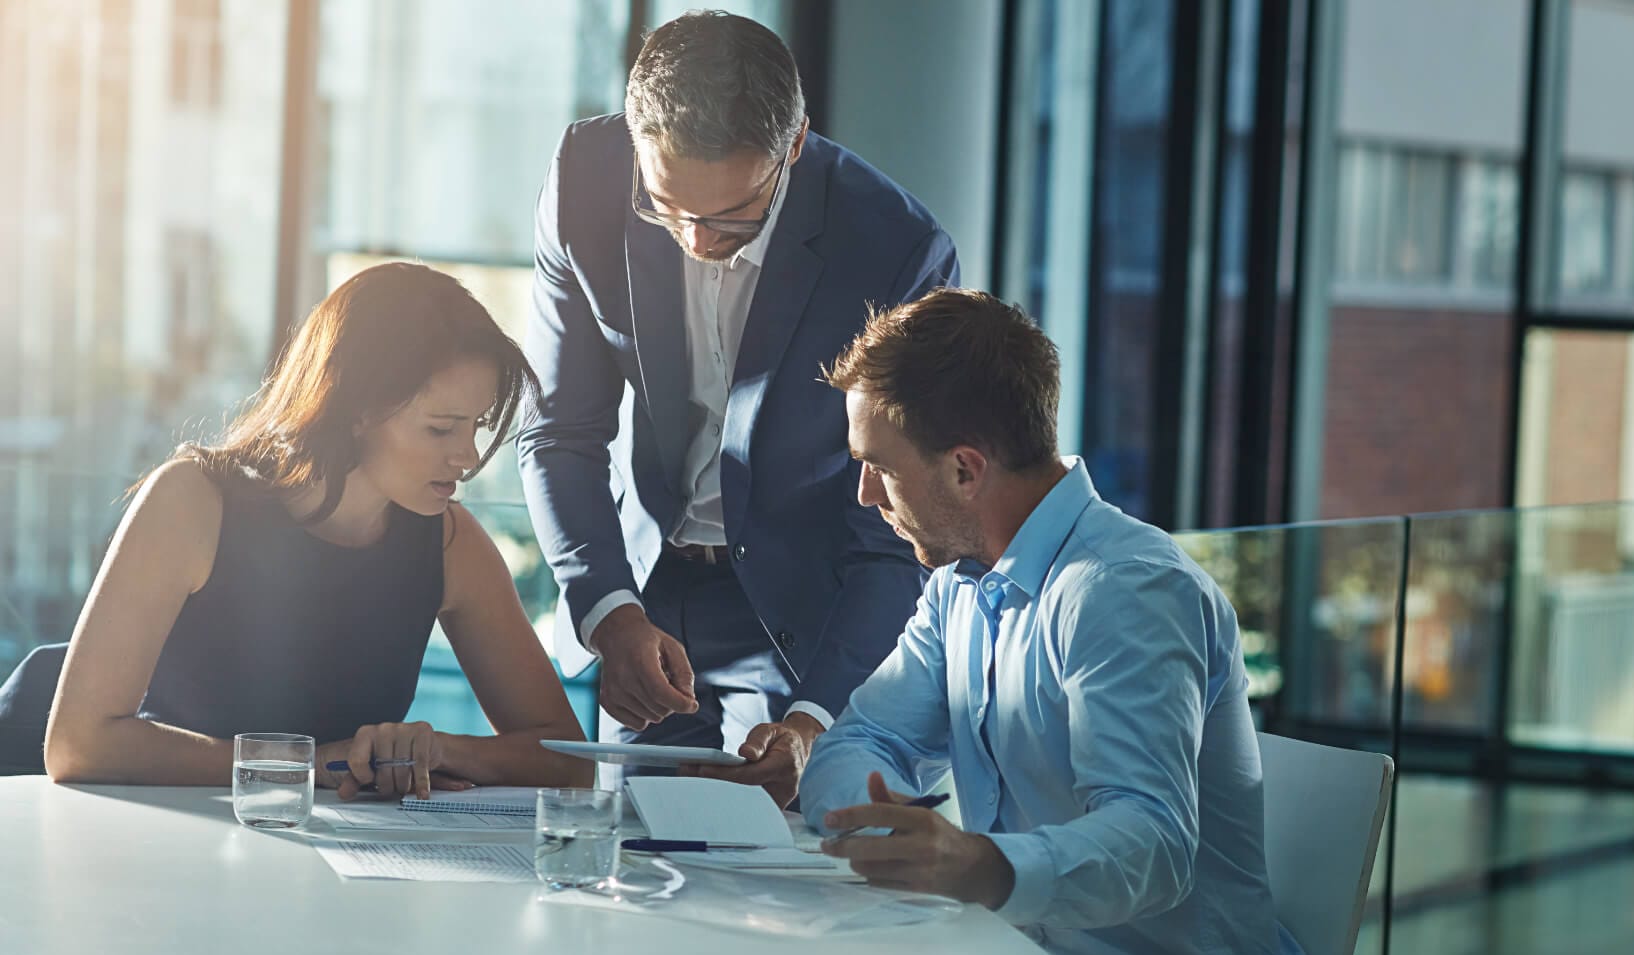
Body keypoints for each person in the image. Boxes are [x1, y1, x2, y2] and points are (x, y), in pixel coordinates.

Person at [798, 289, 1309, 955]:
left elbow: (1155, 839)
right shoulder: (962, 585)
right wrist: (868, 816)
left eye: (879, 470)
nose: (867, 498)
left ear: (965, 469)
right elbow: (865, 738)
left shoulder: (1124, 591)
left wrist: (983, 866)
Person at [518, 10, 954, 805]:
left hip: (811, 614)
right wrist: (608, 610)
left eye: (732, 216)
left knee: (795, 872)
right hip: (645, 594)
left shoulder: (893, 248)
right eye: (666, 206)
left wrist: (818, 720)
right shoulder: (586, 175)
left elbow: (892, 523)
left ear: (793, 147)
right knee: (640, 860)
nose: (695, 238)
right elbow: (558, 431)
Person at [21, 261, 593, 796]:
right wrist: (301, 766)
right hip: (170, 846)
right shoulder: (192, 501)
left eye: (478, 425)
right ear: (359, 409)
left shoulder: (449, 540)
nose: (468, 456)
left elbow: (570, 764)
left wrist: (438, 750)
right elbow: (77, 745)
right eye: (441, 429)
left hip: (333, 861)